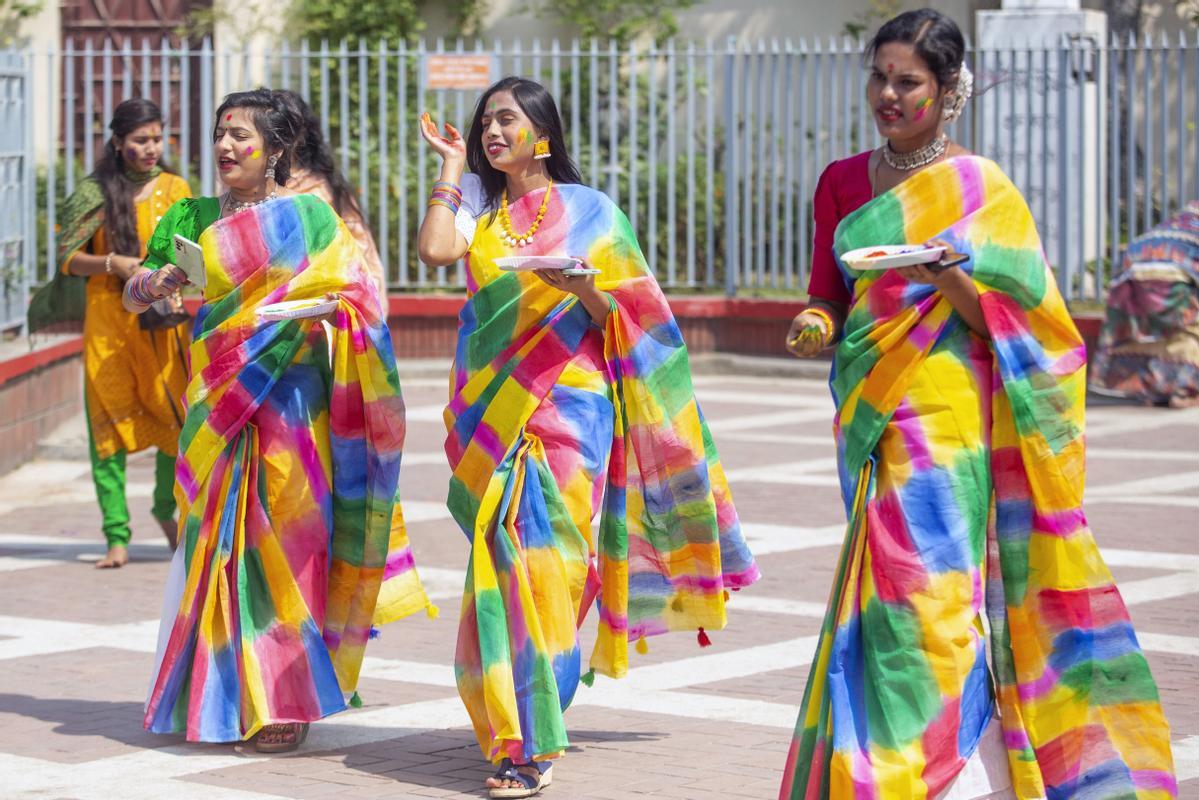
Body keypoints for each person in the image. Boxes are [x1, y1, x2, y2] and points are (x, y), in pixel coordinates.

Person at [780, 10, 1176, 800]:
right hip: (871, 410)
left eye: (909, 82)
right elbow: (831, 296)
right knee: (889, 596)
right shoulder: (842, 182)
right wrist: (814, 322)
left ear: (948, 90)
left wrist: (950, 277)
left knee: (930, 595)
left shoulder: (980, 188)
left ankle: (918, 772)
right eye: (880, 78)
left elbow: (1035, 326)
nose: (889, 95)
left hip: (950, 417)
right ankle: (923, 763)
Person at [418, 77, 759, 798]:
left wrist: (582, 290)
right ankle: (521, 720)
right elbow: (436, 253)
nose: (492, 132)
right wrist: (451, 171)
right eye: (485, 123)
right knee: (505, 562)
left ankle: (531, 742)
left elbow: (629, 315)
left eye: (506, 120)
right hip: (491, 405)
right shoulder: (482, 208)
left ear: (542, 129)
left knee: (548, 567)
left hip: (570, 408)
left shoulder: (592, 212)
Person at [127, 88, 432, 752]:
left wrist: (330, 313)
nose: (227, 147)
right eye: (220, 133)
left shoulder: (312, 221)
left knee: (283, 545)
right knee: (217, 548)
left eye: (241, 136)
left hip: (292, 400)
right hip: (216, 401)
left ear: (278, 148)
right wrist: (154, 284)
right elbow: (137, 290)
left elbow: (361, 299)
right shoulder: (191, 214)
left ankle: (284, 700)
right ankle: (224, 694)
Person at [33, 98, 190, 568]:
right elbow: (66, 258)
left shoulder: (177, 188)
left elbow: (193, 250)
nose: (151, 148)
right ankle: (116, 535)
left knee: (173, 420)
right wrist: (112, 263)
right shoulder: (93, 192)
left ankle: (166, 508)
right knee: (107, 424)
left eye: (158, 139)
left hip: (161, 321)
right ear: (118, 142)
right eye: (141, 140)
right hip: (108, 323)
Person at [275, 89, 388, 298]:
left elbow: (362, 255)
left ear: (302, 134)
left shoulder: (323, 189)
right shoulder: (241, 188)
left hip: (320, 308)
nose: (277, 137)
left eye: (284, 129)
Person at [1089, 200, 1199, 408]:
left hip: (1130, 273)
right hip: (1171, 274)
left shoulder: (1181, 220)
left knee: (1143, 334)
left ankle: (1144, 387)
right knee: (1190, 329)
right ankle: (1184, 390)